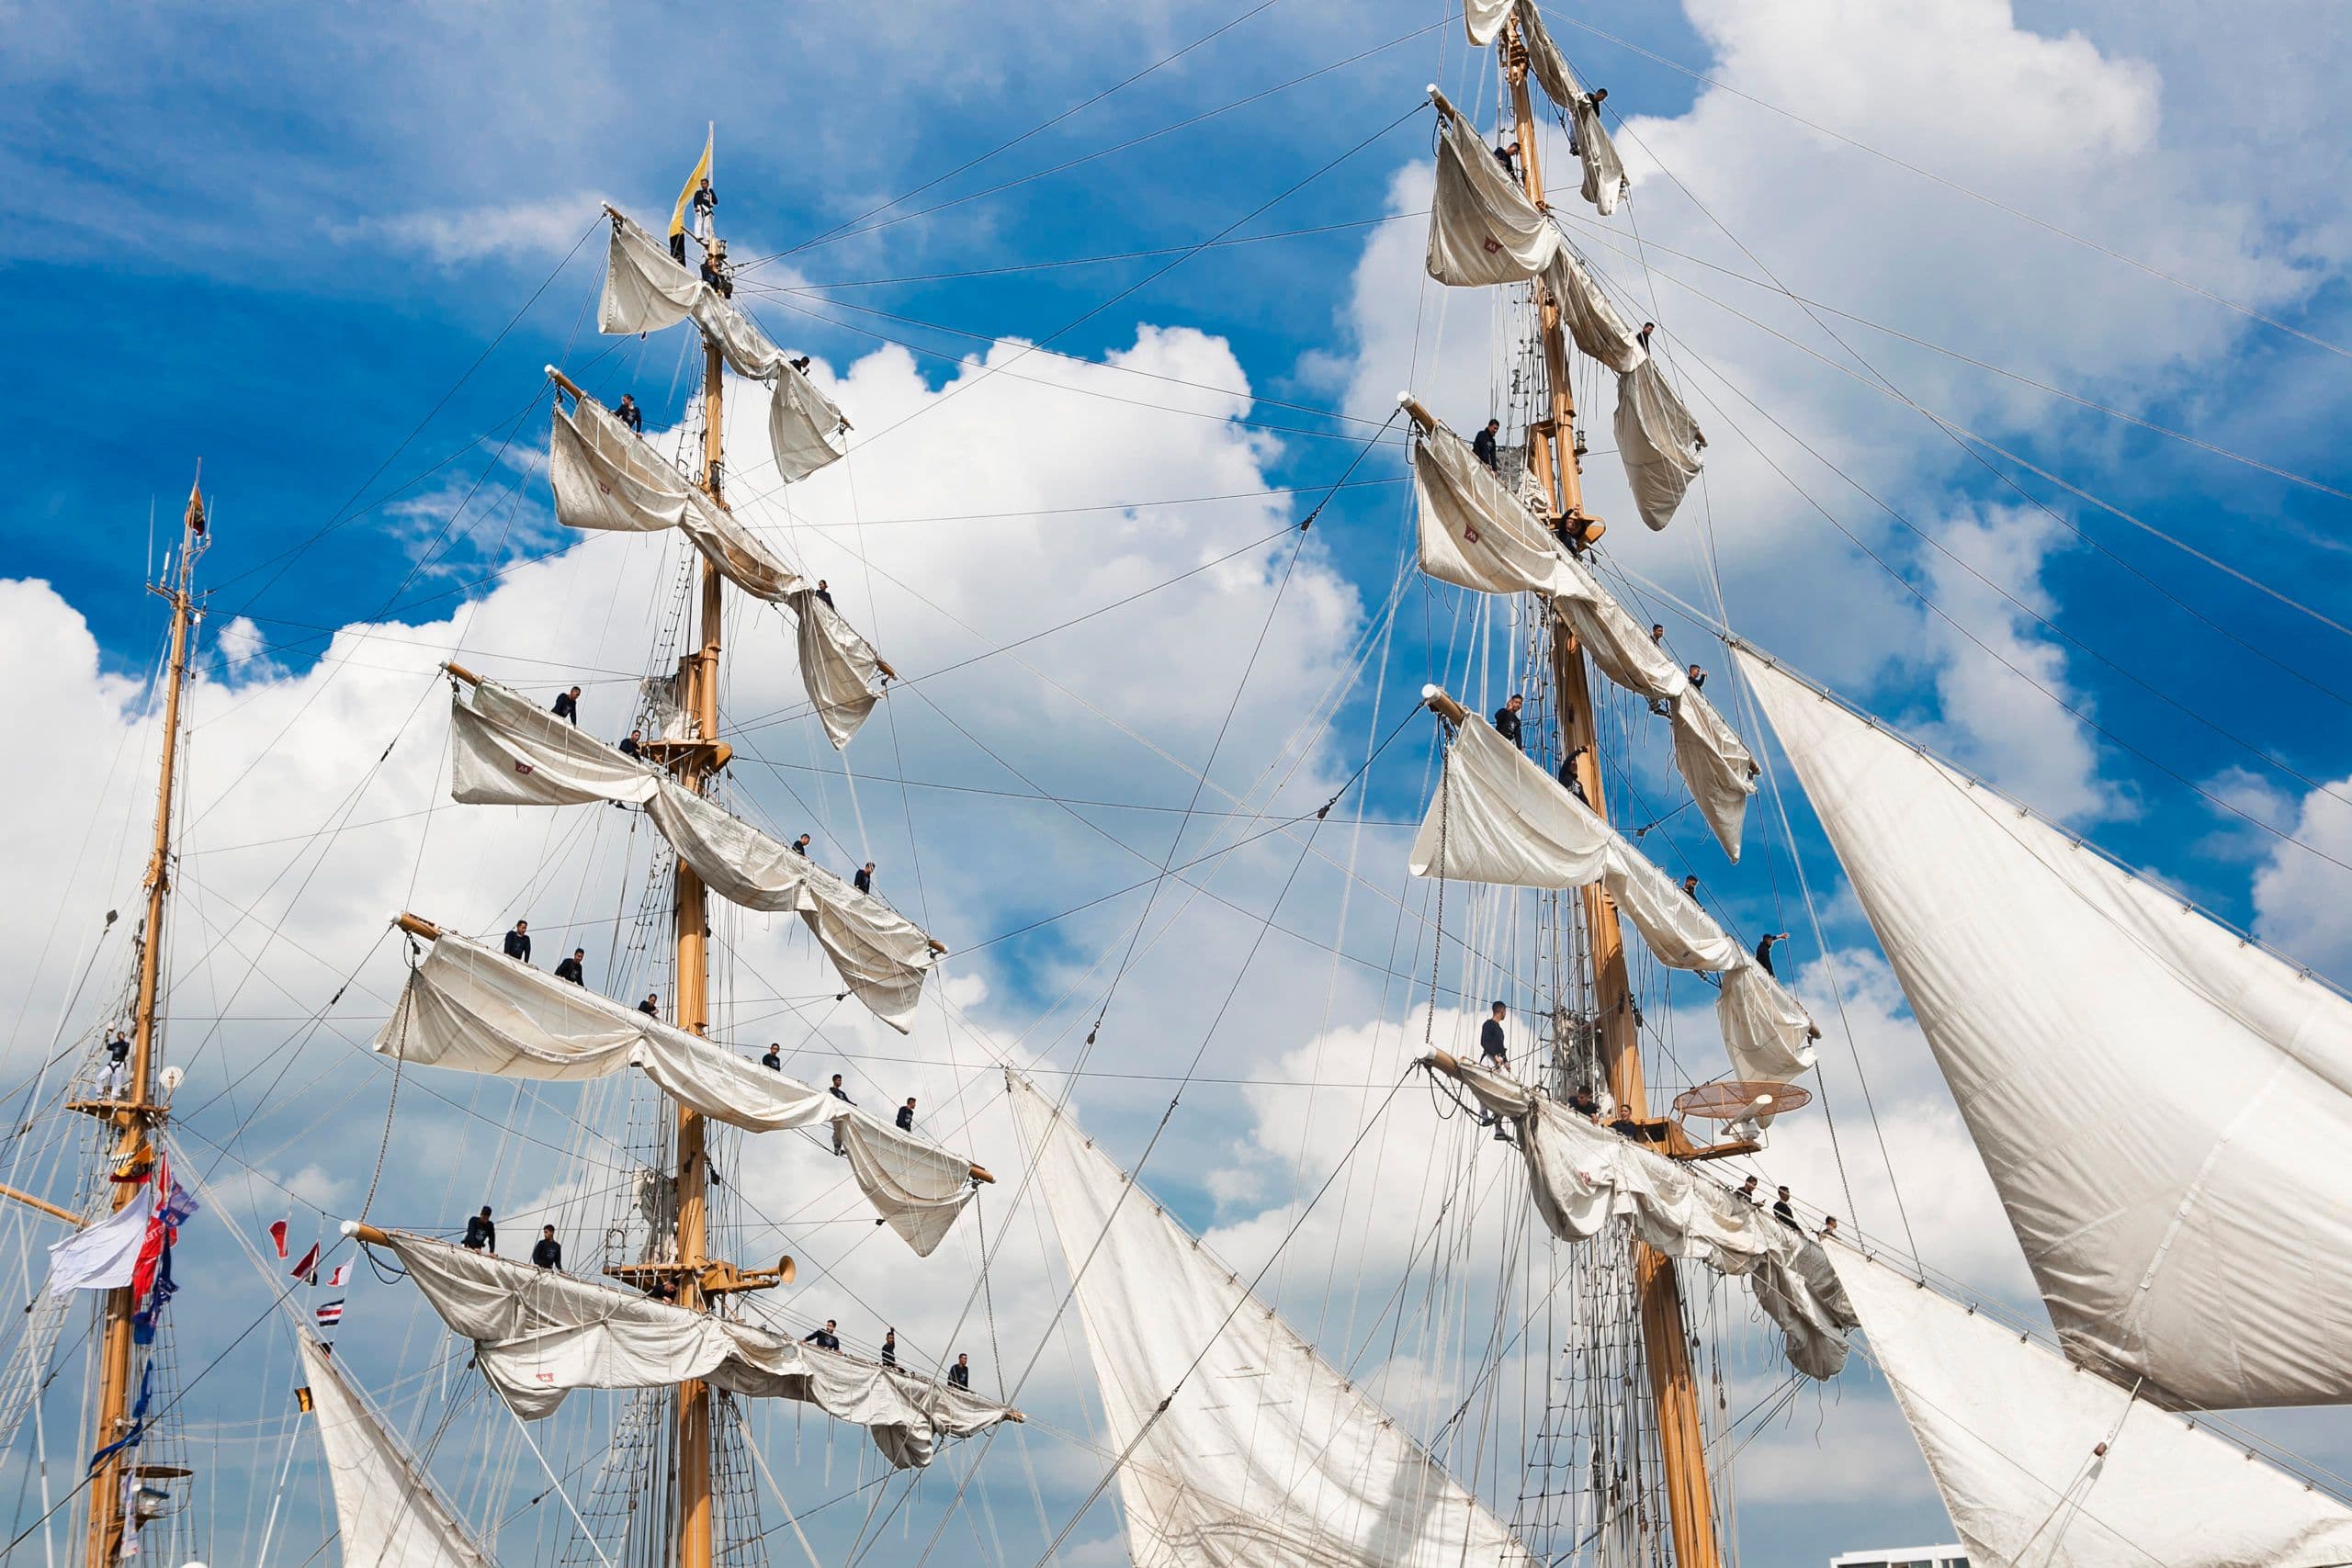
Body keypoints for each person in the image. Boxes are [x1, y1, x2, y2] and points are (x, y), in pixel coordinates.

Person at [1479, 1002, 1509, 1070]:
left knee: (1502, 1080)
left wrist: (1506, 1062)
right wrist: (1495, 1056)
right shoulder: (1488, 1024)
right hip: (1488, 1060)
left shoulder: (1500, 1030)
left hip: (1496, 1062)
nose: (1505, 1014)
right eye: (1505, 1011)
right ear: (1502, 1011)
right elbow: (1484, 1042)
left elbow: (1501, 1048)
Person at [102, 1032, 131, 1096]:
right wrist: (106, 1038)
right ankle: (113, 1095)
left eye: (122, 1035)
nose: (122, 1036)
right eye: (120, 1035)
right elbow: (108, 1047)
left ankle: (114, 1095)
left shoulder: (126, 1044)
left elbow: (127, 1049)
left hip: (120, 1063)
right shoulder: (116, 1045)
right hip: (113, 1063)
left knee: (118, 1081)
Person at [692, 176, 718, 241]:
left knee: (707, 225)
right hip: (700, 207)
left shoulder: (710, 194)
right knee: (699, 222)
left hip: (708, 209)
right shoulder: (699, 192)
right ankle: (698, 235)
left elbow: (716, 202)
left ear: (707, 184)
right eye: (702, 184)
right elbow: (695, 200)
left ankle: (708, 238)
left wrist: (712, 192)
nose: (703, 185)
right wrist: (695, 207)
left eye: (704, 184)